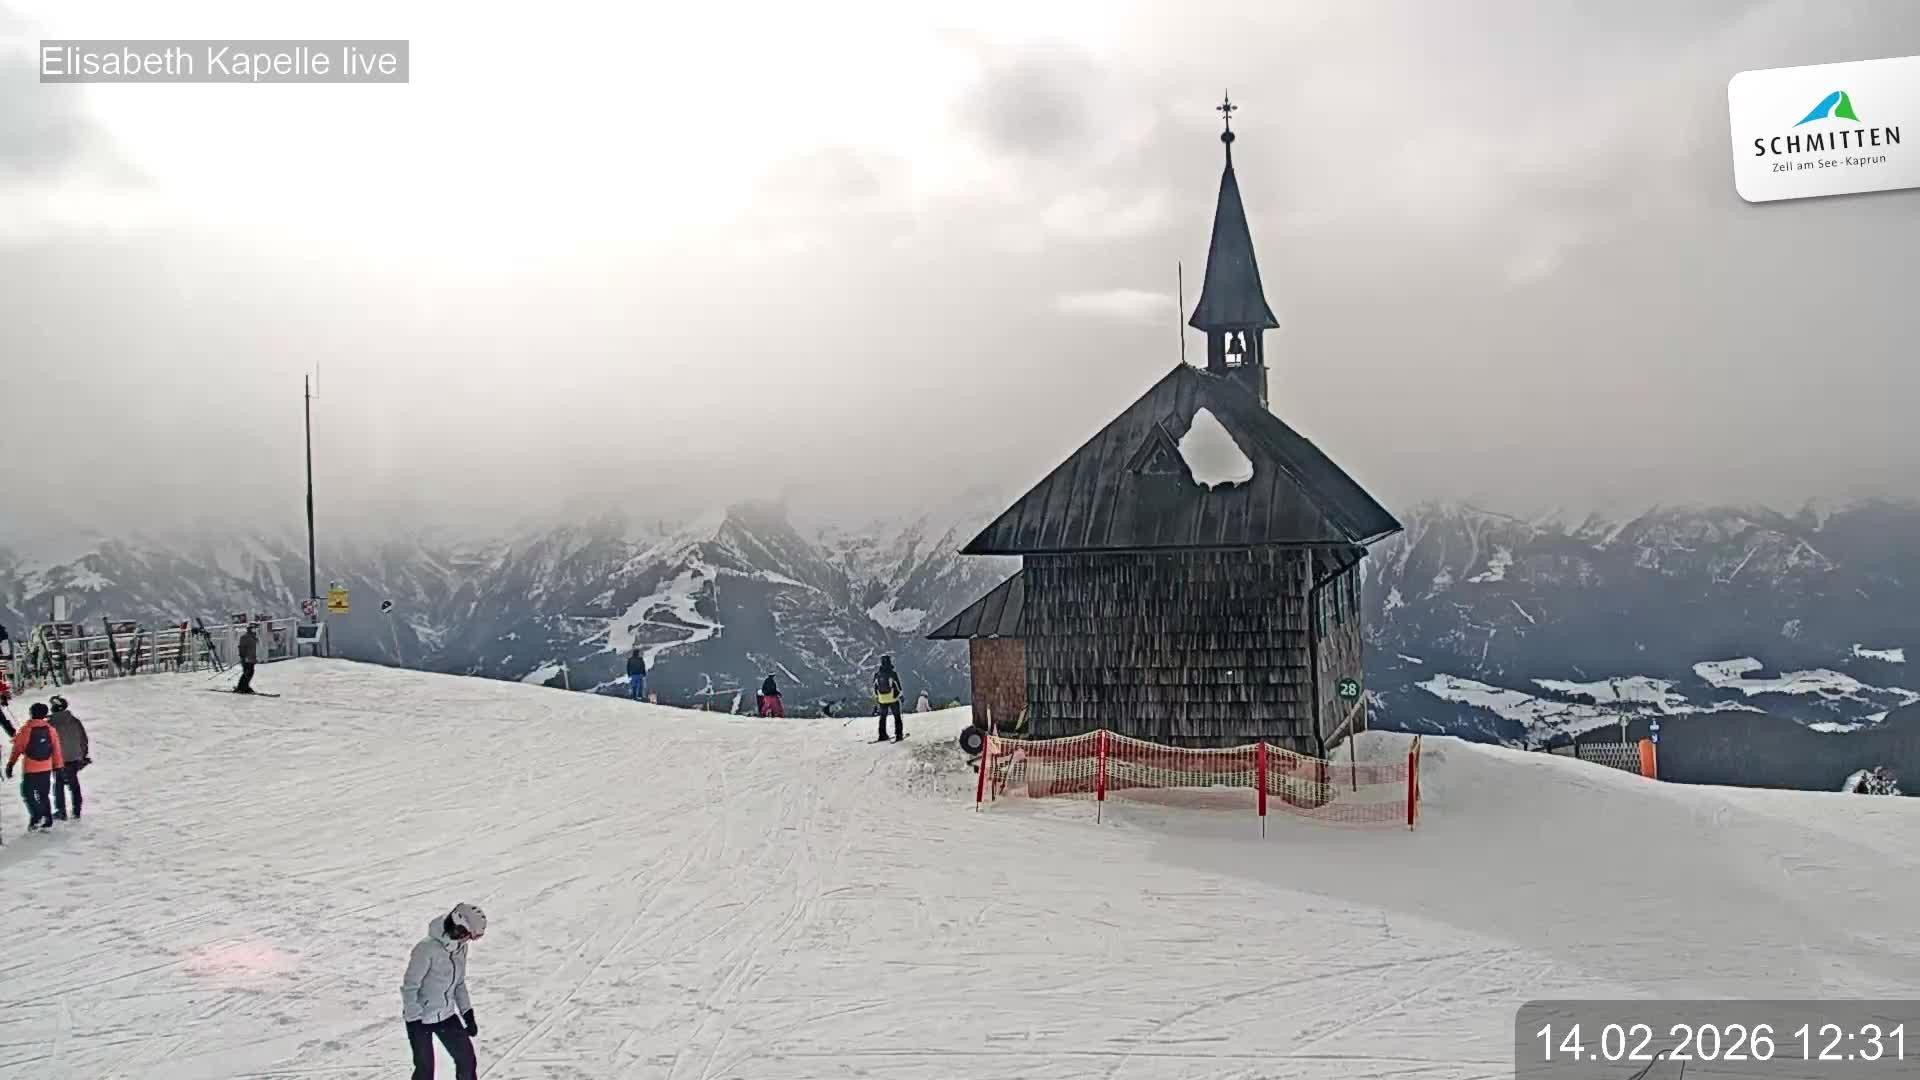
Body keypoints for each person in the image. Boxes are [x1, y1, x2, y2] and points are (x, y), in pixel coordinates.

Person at [402, 902, 487, 1080]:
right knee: (425, 1071)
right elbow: (410, 987)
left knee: (467, 1061)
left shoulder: (460, 948)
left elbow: (459, 983)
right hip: (420, 1018)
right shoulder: (426, 949)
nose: (467, 941)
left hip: (446, 1015)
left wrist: (467, 1013)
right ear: (458, 925)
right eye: (467, 936)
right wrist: (415, 1019)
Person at [6, 702, 64, 832]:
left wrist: (10, 764)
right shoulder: (51, 729)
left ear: (32, 713)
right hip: (46, 767)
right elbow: (56, 749)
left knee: (27, 793)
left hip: (31, 768)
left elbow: (18, 749)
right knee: (43, 794)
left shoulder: (27, 729)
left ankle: (37, 816)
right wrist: (58, 766)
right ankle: (47, 819)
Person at [47, 694, 90, 820]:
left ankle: (61, 811)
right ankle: (77, 810)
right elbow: (83, 739)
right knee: (74, 784)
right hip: (75, 757)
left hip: (59, 760)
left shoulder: (51, 724)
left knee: (59, 784)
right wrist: (82, 755)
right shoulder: (75, 721)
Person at [873, 656, 904, 743]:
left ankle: (882, 735)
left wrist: (877, 698)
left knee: (883, 717)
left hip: (882, 699)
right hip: (893, 699)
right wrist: (901, 697)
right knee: (897, 717)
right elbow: (898, 686)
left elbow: (875, 688)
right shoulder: (892, 674)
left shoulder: (877, 675)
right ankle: (899, 735)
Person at [235, 623, 259, 694]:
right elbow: (241, 647)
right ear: (249, 629)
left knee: (250, 672)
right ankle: (241, 687)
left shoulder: (253, 637)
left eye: (255, 629)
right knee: (247, 673)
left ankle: (245, 686)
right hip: (246, 658)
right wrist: (243, 656)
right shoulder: (245, 637)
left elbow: (253, 649)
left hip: (252, 658)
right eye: (253, 629)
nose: (255, 630)